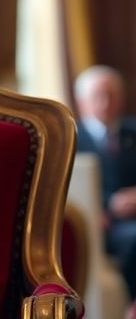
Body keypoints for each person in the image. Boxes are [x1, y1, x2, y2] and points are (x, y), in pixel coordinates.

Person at [75, 64, 136, 297]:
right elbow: (69, 190)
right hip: (103, 224)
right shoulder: (72, 140)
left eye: (110, 95)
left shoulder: (133, 132)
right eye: (97, 96)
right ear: (82, 102)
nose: (105, 102)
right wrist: (108, 204)